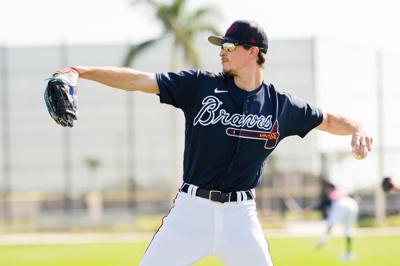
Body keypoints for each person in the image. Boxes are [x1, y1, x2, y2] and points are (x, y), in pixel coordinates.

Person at [55, 20, 373, 265]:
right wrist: (79, 71)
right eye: (221, 45)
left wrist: (357, 127)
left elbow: (328, 120)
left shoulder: (281, 105)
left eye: (230, 45)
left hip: (241, 218)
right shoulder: (199, 85)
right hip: (191, 212)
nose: (222, 50)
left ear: (254, 52)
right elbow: (140, 80)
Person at [314, 182, 359, 262]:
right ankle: (349, 253)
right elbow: (355, 197)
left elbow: (323, 204)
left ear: (330, 188)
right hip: (353, 204)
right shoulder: (344, 190)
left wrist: (310, 209)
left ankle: (325, 238)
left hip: (341, 204)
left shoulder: (332, 193)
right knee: (348, 230)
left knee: (331, 222)